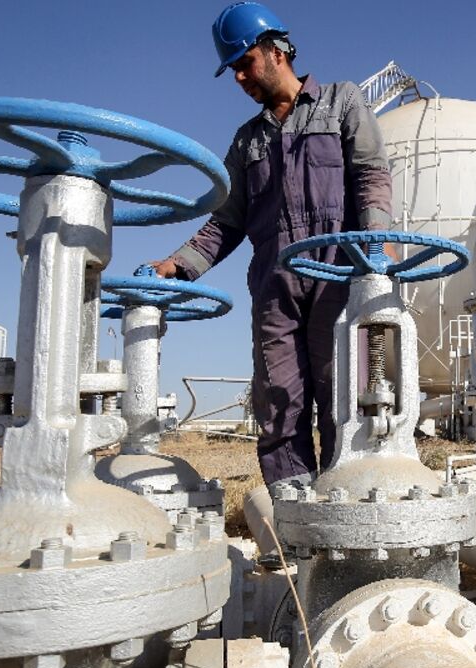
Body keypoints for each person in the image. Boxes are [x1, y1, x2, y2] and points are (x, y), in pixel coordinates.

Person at [152, 2, 393, 489]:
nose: (240, 78)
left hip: (339, 274)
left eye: (245, 64)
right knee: (279, 403)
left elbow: (370, 175)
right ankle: (294, 524)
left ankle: (349, 505)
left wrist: (375, 250)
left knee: (344, 398)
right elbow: (227, 221)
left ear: (276, 50)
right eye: (234, 70)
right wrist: (177, 265)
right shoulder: (246, 143)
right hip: (275, 286)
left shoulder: (342, 103)